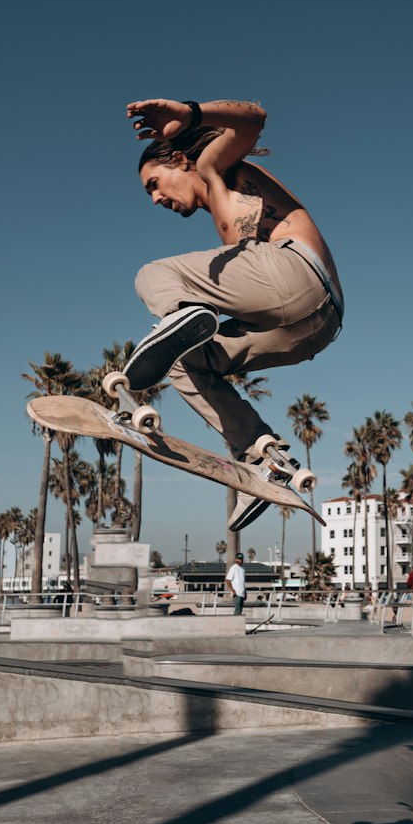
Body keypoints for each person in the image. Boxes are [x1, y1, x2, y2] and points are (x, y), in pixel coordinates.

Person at [122, 98, 344, 531]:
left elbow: (255, 119)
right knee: (185, 365)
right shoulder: (219, 209)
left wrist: (191, 114)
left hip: (295, 275)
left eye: (154, 183)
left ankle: (181, 313)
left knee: (154, 274)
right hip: (315, 327)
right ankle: (263, 456)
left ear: (179, 160)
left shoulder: (212, 166)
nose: (155, 199)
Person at [225, 552, 246, 616]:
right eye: (239, 559)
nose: (241, 560)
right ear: (236, 559)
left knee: (240, 609)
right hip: (237, 593)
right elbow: (228, 580)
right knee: (237, 609)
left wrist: (245, 592)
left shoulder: (243, 569)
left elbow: (243, 582)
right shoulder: (233, 568)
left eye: (241, 559)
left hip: (242, 593)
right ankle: (235, 623)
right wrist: (233, 590)